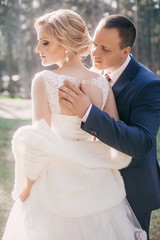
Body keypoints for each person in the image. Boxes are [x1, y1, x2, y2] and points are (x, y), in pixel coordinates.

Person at [2, 10, 147, 240]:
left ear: (66, 43)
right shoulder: (101, 84)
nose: (38, 49)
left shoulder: (43, 81)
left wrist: (28, 187)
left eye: (45, 42)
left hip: (56, 182)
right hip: (98, 182)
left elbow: (38, 142)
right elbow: (115, 135)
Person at [59, 14, 160, 239]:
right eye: (94, 44)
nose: (95, 53)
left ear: (125, 51)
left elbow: (142, 142)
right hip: (97, 184)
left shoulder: (149, 85)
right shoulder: (93, 76)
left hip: (133, 188)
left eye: (105, 48)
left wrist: (88, 112)